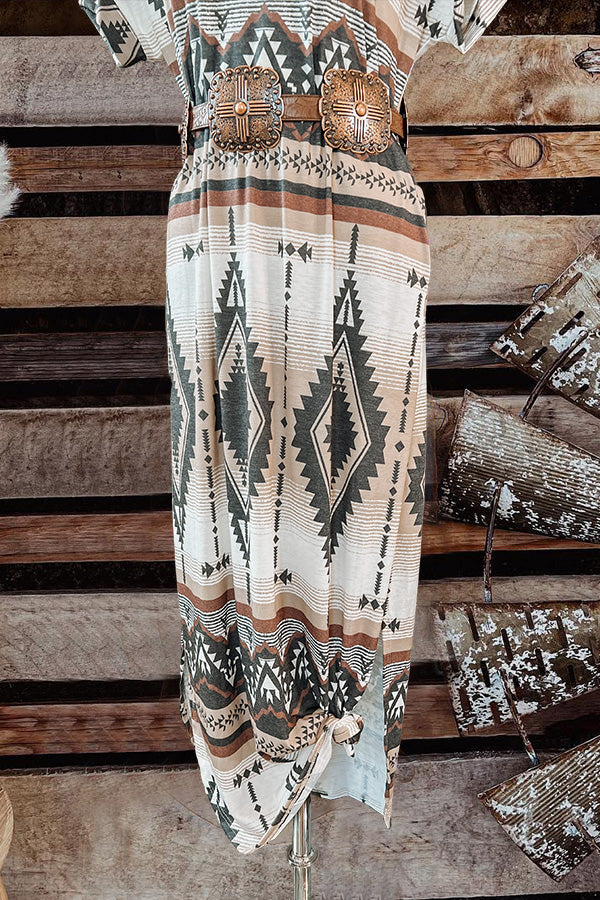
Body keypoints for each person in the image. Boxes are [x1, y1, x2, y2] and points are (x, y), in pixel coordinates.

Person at [80, 0, 508, 854]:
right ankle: (258, 732)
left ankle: (335, 721)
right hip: (225, 224)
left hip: (364, 220)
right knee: (228, 489)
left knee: (356, 493)